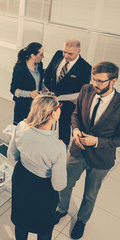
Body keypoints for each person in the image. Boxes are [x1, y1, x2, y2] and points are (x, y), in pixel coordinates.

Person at [54, 61, 120, 239]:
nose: (95, 84)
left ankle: (82, 220)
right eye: (93, 79)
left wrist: (97, 141)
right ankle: (61, 209)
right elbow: (75, 114)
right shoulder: (86, 89)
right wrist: (75, 131)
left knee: (90, 194)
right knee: (65, 183)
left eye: (100, 81)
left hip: (101, 158)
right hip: (77, 149)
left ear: (113, 81)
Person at [8, 92, 67, 240]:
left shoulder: (21, 126)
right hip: (42, 189)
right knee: (44, 227)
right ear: (53, 113)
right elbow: (59, 185)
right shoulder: (58, 147)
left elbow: (11, 156)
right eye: (59, 106)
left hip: (21, 178)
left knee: (21, 222)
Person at [44, 39, 91, 146]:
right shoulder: (58, 54)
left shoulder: (85, 68)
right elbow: (48, 72)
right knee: (46, 122)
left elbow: (82, 90)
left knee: (64, 127)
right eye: (64, 52)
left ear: (79, 51)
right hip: (50, 98)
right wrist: (46, 89)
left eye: (70, 53)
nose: (65, 55)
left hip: (67, 104)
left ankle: (63, 147)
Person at [10, 42, 46, 125]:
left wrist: (43, 87)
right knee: (21, 129)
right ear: (33, 56)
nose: (43, 57)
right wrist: (29, 94)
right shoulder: (20, 68)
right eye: (41, 55)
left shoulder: (39, 64)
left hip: (36, 106)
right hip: (23, 106)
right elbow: (13, 90)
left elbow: (39, 80)